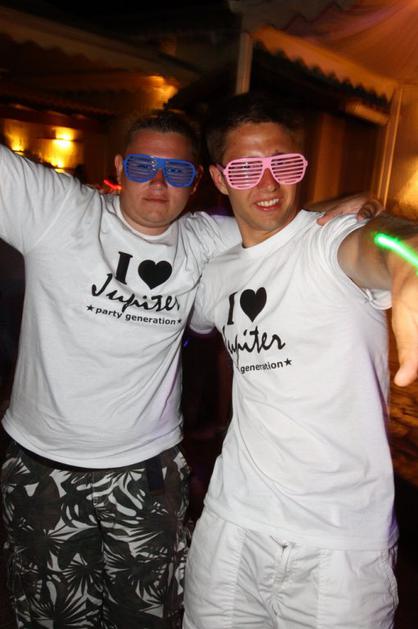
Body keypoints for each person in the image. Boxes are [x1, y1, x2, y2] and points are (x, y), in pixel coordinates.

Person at [0, 108, 381, 628]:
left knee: (149, 617)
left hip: (147, 474)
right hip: (42, 469)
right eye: (142, 167)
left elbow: (280, 221)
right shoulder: (58, 210)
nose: (158, 183)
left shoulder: (206, 239)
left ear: (199, 181)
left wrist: (369, 214)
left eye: (176, 171)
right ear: (120, 167)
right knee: (50, 618)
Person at [183, 93, 418, 629]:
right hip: (232, 527)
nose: (268, 184)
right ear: (219, 179)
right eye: (246, 169)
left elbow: (384, 241)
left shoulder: (329, 241)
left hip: (339, 548)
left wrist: (409, 260)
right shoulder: (215, 274)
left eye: (283, 164)